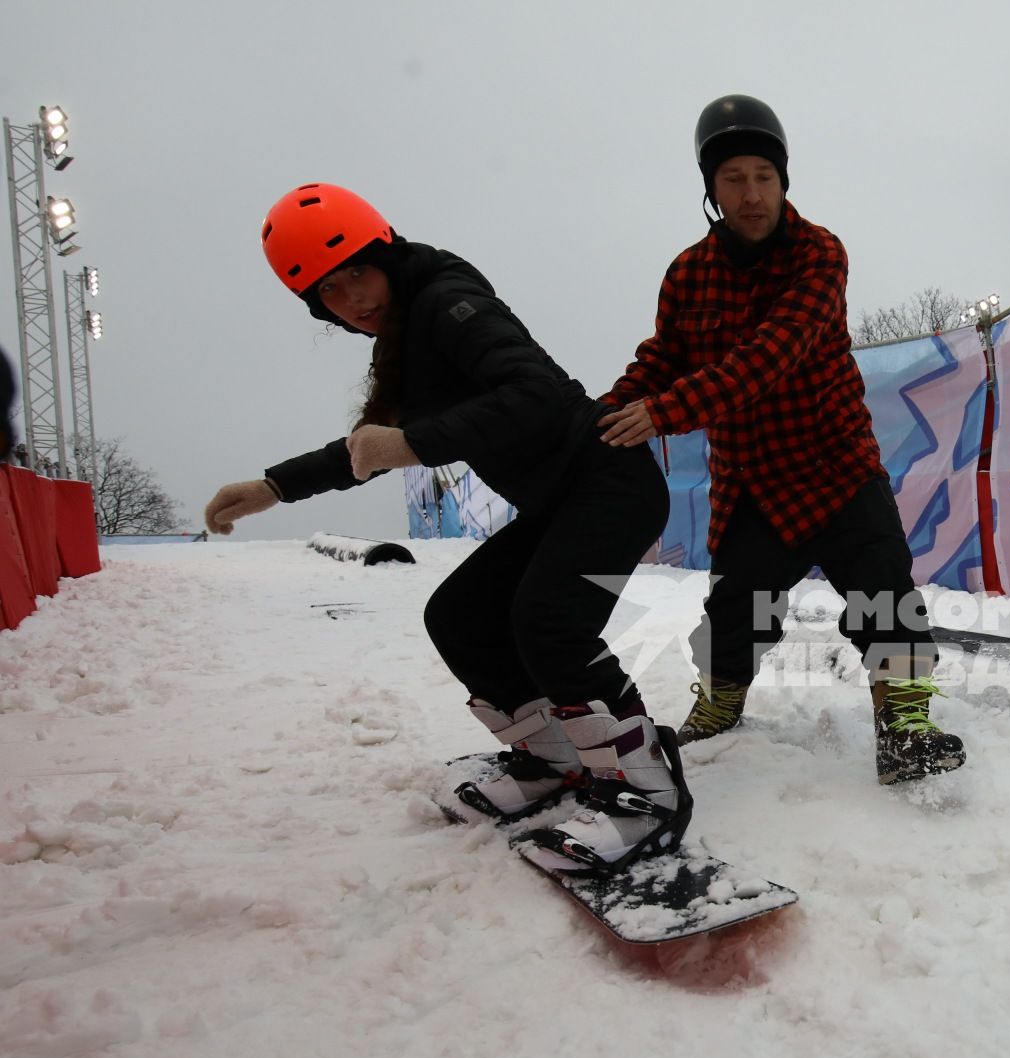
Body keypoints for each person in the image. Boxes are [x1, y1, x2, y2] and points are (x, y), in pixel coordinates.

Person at [203, 183, 690, 870]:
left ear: (387, 254)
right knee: (460, 615)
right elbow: (369, 446)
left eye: (359, 274)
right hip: (563, 500)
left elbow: (536, 397)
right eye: (331, 294)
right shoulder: (403, 342)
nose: (355, 300)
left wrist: (412, 443)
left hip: (610, 482)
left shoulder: (447, 302)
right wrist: (275, 486)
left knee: (549, 620)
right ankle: (551, 758)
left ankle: (647, 793)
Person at [597, 95, 965, 785]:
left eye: (763, 175)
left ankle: (907, 726)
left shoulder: (819, 254)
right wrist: (607, 414)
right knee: (734, 608)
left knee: (885, 589)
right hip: (752, 479)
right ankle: (720, 705)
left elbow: (774, 354)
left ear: (783, 181)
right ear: (711, 189)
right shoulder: (686, 273)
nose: (751, 193)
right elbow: (662, 359)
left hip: (836, 465)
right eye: (733, 178)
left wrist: (665, 412)